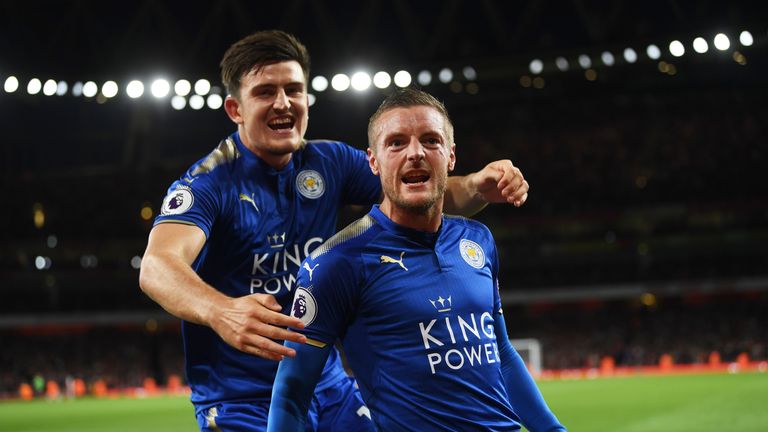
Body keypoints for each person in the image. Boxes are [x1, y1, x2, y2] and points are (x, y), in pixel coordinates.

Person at [139, 30, 530, 431]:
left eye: (294, 89)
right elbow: (157, 266)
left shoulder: (329, 162)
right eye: (265, 92)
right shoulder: (209, 183)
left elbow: (420, 190)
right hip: (243, 400)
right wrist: (221, 311)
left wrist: (478, 185)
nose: (283, 103)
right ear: (235, 109)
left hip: (330, 390)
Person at [268, 88, 565, 431]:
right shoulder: (335, 263)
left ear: (450, 156)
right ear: (373, 161)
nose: (415, 153)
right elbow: (291, 393)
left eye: (430, 140)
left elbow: (503, 357)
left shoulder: (477, 240)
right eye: (396, 142)